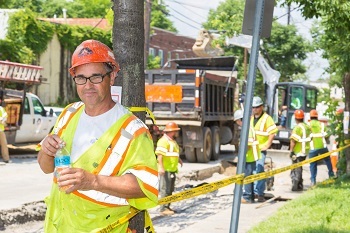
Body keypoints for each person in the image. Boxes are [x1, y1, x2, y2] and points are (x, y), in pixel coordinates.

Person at [37, 39, 159, 233]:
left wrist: (93, 181)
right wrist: (46, 150)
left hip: (101, 228)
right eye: (81, 78)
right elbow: (46, 167)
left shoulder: (133, 129)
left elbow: (146, 186)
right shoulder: (69, 113)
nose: (88, 86)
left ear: (112, 77)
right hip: (58, 226)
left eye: (96, 77)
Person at [251, 96, 278, 202]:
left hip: (260, 149)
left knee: (259, 169)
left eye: (257, 107)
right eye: (253, 107)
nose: (255, 109)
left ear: (261, 107)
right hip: (251, 150)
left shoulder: (267, 118)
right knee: (251, 171)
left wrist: (267, 145)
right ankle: (252, 192)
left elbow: (272, 132)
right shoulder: (251, 118)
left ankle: (259, 193)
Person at [156, 122, 183, 215]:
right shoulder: (163, 141)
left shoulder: (172, 141)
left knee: (170, 189)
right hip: (166, 169)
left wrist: (179, 160)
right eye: (175, 131)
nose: (176, 132)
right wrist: (161, 168)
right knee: (164, 189)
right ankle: (163, 209)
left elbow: (173, 153)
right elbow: (160, 156)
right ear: (172, 131)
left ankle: (167, 206)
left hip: (172, 169)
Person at [234, 109, 260, 203]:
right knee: (250, 177)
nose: (237, 124)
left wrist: (241, 155)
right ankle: (251, 196)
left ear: (241, 120)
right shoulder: (249, 128)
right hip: (251, 157)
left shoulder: (247, 130)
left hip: (248, 157)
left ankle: (247, 197)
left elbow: (247, 145)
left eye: (237, 121)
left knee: (247, 178)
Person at [308, 109, 334, 186]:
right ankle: (331, 175)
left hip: (313, 147)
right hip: (323, 146)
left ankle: (313, 180)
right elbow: (327, 134)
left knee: (313, 164)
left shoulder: (308, 125)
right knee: (327, 160)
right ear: (317, 117)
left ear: (310, 116)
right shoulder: (322, 124)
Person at [289, 109, 311, 191]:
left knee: (295, 168)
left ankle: (295, 185)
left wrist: (291, 151)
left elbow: (293, 141)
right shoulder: (307, 127)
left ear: (295, 118)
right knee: (299, 167)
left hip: (298, 151)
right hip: (305, 151)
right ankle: (300, 184)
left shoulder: (297, 128)